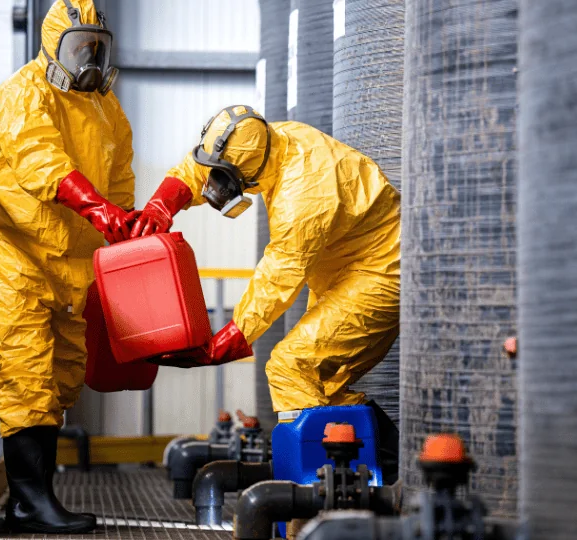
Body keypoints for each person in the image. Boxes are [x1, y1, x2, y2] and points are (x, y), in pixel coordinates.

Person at [132, 105, 402, 480]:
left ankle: (316, 491)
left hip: (380, 272)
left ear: (248, 170)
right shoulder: (263, 144)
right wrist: (161, 205)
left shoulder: (302, 192)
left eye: (224, 178)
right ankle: (385, 471)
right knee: (322, 382)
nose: (215, 185)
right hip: (343, 272)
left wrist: (224, 341)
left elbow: (278, 277)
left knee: (291, 366)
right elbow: (207, 166)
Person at [0, 0, 135, 533]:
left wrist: (126, 225)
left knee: (64, 376)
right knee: (27, 374)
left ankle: (40, 496)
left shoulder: (105, 108)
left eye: (96, 47)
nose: (89, 60)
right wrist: (97, 209)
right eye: (78, 48)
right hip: (18, 258)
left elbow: (120, 181)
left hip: (75, 265)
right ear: (52, 47)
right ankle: (29, 502)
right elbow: (41, 161)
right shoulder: (21, 95)